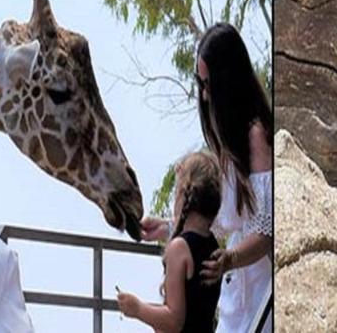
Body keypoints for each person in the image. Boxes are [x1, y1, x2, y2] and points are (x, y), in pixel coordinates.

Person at [141, 23, 273, 333]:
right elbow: (218, 222)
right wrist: (166, 227)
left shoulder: (256, 135)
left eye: (208, 83)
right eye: (200, 83)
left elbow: (267, 229)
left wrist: (231, 258)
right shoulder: (228, 144)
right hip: (235, 294)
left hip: (260, 291)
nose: (204, 94)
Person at [117, 151, 222, 333]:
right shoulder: (213, 244)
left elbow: (174, 321)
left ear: (182, 194)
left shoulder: (179, 248)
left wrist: (137, 309)